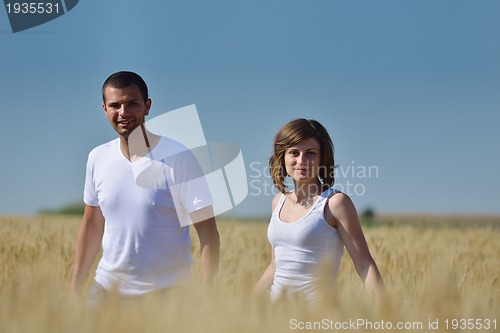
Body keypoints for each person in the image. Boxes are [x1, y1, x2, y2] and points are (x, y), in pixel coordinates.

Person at [70, 71, 220, 302]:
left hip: (168, 296)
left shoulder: (179, 158)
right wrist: (74, 290)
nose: (123, 113)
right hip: (105, 293)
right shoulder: (97, 158)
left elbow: (208, 233)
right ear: (104, 109)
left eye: (132, 104)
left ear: (147, 106)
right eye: (115, 105)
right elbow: (91, 226)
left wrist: (208, 297)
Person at [255, 118, 383, 303]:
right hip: (275, 317)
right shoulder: (278, 202)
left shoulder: (335, 203)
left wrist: (386, 312)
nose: (301, 160)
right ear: (282, 157)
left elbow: (364, 264)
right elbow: (275, 266)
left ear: (323, 158)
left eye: (310, 153)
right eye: (294, 152)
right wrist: (247, 302)